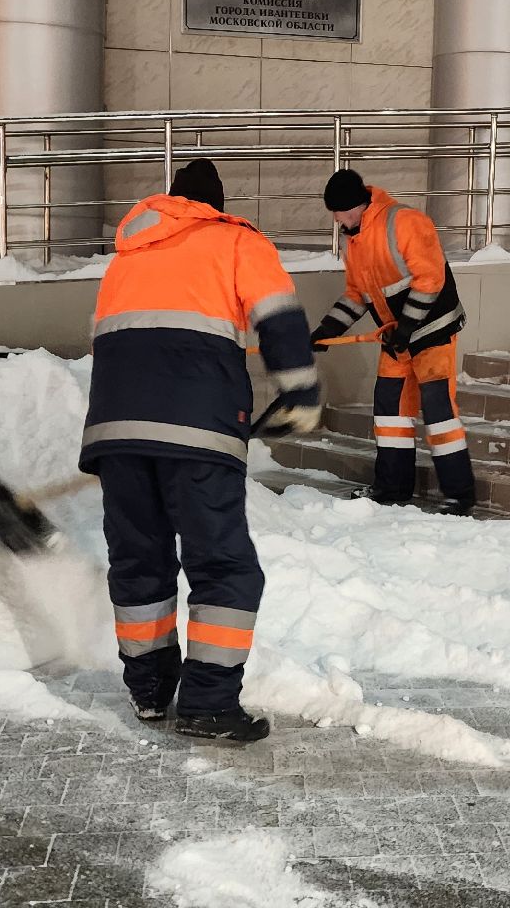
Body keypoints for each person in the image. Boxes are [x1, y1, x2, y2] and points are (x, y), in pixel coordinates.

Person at [79, 158, 320, 743]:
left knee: (140, 562)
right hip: (198, 433)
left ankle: (150, 692)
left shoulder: (127, 256)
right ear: (215, 207)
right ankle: (208, 704)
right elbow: (279, 319)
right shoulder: (234, 241)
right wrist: (300, 391)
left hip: (116, 433)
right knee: (224, 566)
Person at [309, 169, 477, 516]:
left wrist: (407, 327)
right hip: (396, 336)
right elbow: (357, 294)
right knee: (390, 412)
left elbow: (430, 279)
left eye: (340, 212)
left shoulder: (404, 222)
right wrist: (327, 330)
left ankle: (458, 495)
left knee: (439, 411)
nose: (337, 220)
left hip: (432, 332)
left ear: (357, 205)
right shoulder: (353, 240)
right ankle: (392, 487)